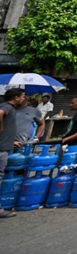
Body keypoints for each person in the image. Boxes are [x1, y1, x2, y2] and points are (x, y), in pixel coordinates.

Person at [0, 88, 26, 219]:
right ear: (16, 97)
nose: (24, 99)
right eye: (22, 96)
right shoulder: (7, 106)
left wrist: (13, 141)